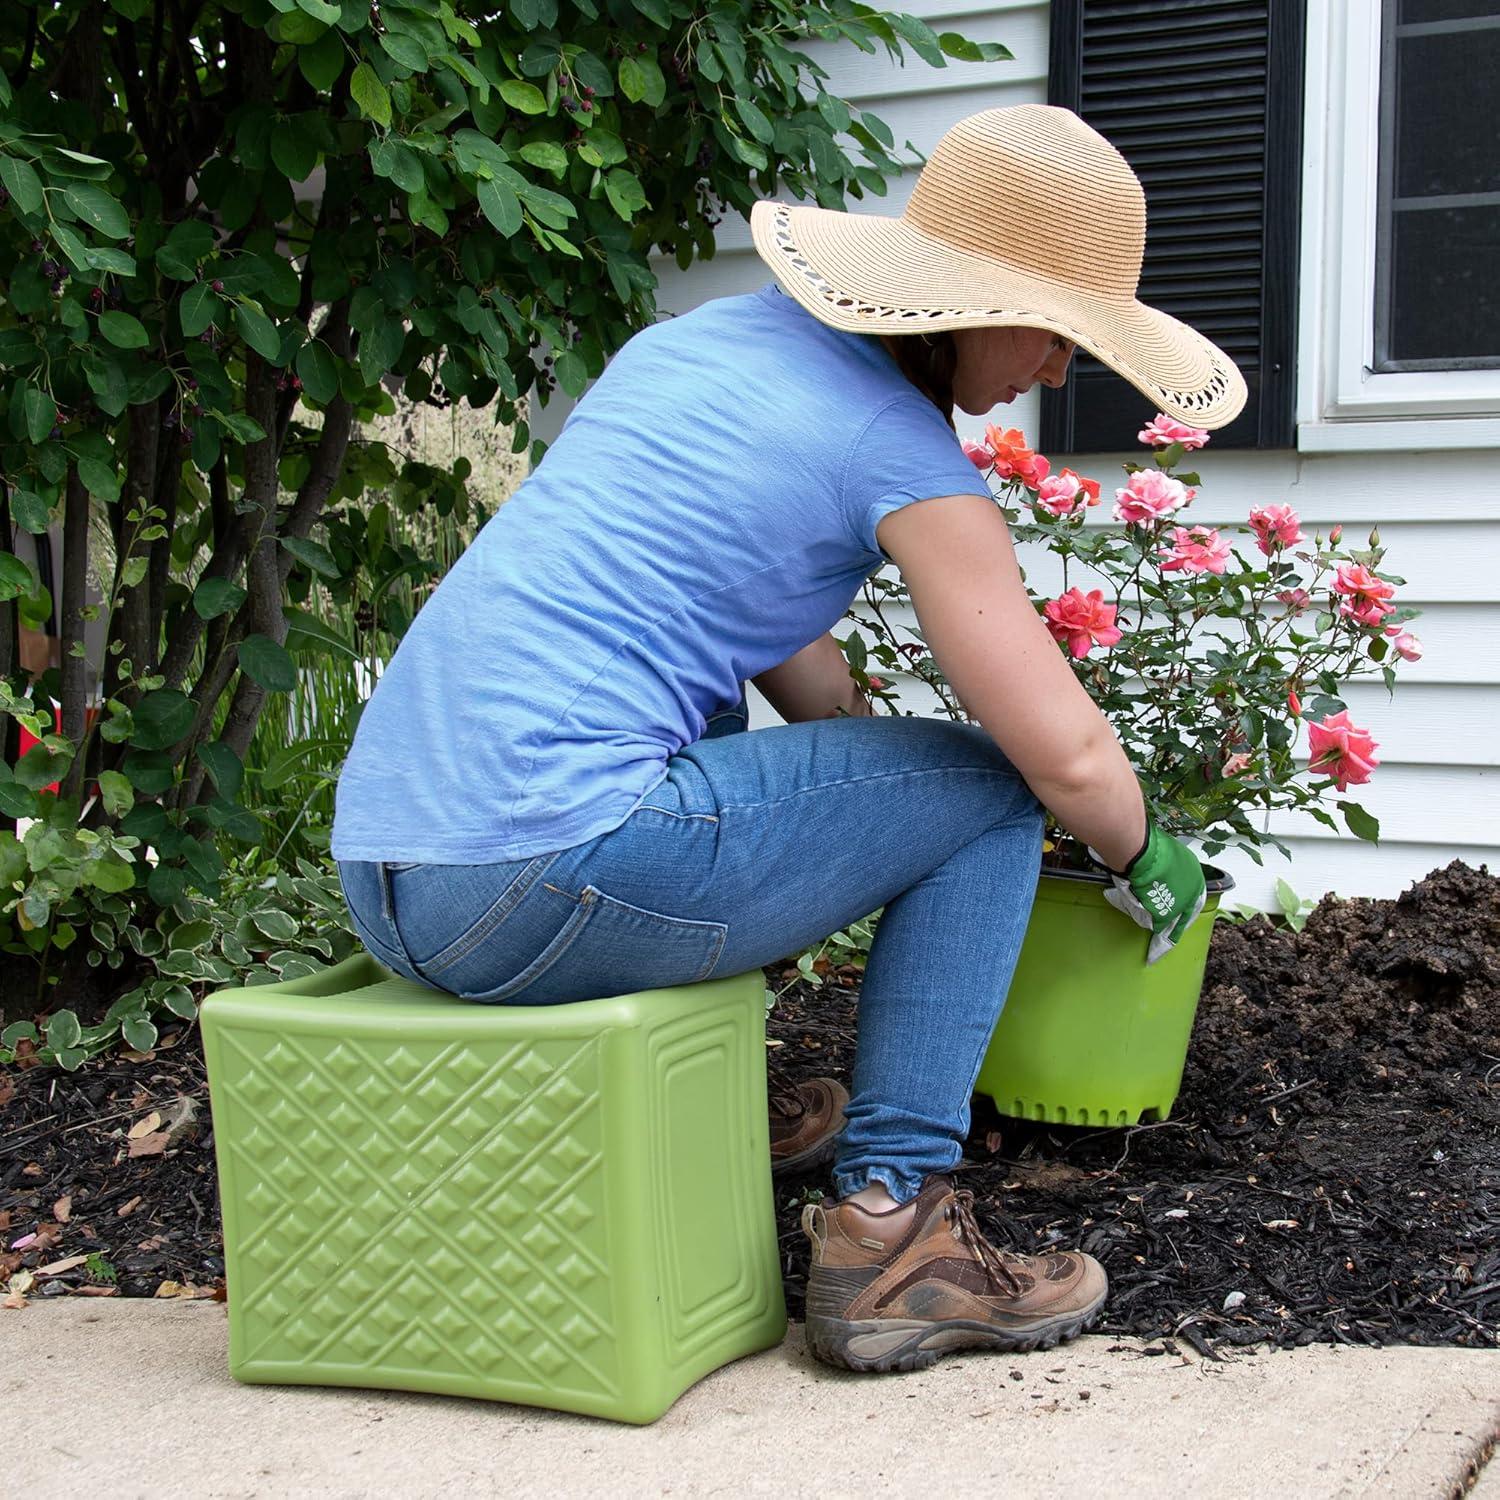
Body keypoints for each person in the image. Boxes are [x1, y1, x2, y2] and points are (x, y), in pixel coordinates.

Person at [331, 104, 1246, 1374]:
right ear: (966, 303)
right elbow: (1065, 758)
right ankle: (895, 1232)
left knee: (710, 723)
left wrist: (874, 815)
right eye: (1056, 334)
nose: (1052, 372)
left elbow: (760, 643)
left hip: (395, 878)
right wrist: (1151, 858)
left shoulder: (696, 351)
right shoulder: (899, 450)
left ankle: (703, 1116)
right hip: (538, 880)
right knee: (990, 790)